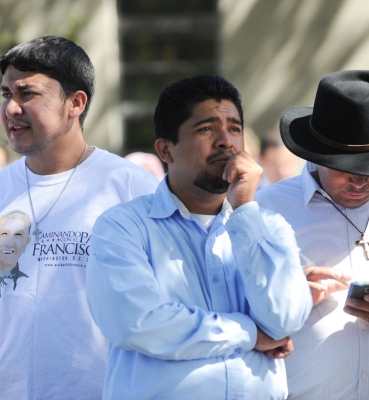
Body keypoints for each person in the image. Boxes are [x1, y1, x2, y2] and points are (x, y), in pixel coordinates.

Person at [86, 74, 312, 400]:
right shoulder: (123, 227)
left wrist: (246, 210)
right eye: (206, 128)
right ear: (166, 149)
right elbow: (139, 322)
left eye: (234, 128)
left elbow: (285, 318)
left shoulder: (268, 226)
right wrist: (249, 332)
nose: (226, 141)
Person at [0, 36, 158, 400]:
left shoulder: (132, 188)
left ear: (75, 103)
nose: (11, 109)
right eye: (7, 94)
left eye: (27, 94)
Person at [255, 70, 369, 399]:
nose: (360, 182)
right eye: (346, 168)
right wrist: (287, 293)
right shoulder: (267, 209)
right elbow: (231, 310)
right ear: (315, 154)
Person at [0, 211, 31, 291]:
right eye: (4, 234)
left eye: (18, 235)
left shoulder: (27, 281)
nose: (9, 243)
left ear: (26, 242)